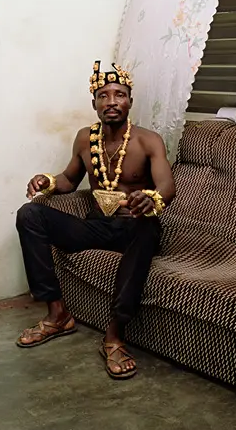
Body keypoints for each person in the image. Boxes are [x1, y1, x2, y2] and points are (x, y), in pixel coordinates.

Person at [16, 62, 175, 380]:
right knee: (29, 214)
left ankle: (114, 336)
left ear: (130, 101)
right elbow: (68, 180)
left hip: (135, 226)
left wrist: (151, 199)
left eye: (119, 95)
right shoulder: (84, 139)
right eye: (104, 95)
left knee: (147, 227)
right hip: (96, 224)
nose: (112, 101)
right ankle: (57, 314)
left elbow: (167, 187)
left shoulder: (148, 141)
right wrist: (45, 181)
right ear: (94, 103)